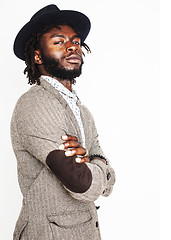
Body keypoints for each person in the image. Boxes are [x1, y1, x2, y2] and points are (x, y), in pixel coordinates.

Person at [11, 4, 115, 240]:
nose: (72, 47)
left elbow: (107, 179)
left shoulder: (83, 111)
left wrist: (91, 161)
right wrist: (97, 166)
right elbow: (81, 182)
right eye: (59, 41)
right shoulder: (35, 104)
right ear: (37, 55)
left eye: (76, 42)